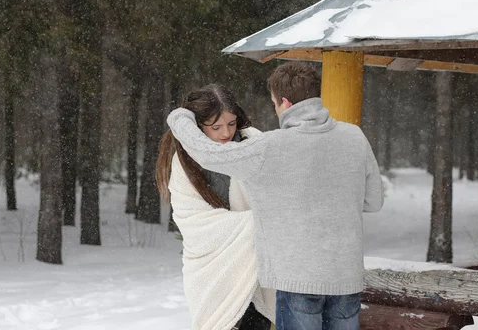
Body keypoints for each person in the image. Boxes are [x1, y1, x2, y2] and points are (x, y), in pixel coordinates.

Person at [166, 61, 383, 330]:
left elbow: (209, 155)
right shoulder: (355, 136)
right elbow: (373, 201)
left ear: (284, 102)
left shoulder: (270, 146)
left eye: (273, 103)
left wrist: (179, 118)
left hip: (298, 279)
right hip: (346, 278)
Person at [156, 84, 275, 330]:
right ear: (199, 127)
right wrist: (257, 223)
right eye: (216, 127)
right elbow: (193, 220)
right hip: (212, 270)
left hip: (258, 269)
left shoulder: (254, 143)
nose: (226, 133)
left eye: (231, 124)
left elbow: (276, 195)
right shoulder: (185, 161)